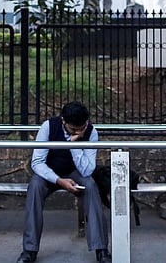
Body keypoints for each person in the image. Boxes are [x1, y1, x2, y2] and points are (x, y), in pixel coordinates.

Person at [16, 101, 110, 263]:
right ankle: (29, 250)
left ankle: (101, 249)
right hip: (49, 172)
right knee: (35, 186)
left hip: (76, 172)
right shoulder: (48, 127)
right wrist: (59, 180)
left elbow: (87, 170)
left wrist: (73, 145)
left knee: (90, 186)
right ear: (63, 121)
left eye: (82, 128)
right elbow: (37, 162)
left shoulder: (91, 132)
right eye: (74, 129)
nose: (79, 132)